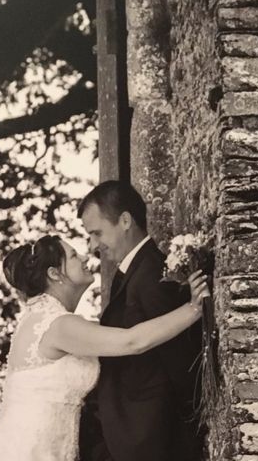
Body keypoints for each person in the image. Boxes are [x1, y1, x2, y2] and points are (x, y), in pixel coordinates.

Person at [0, 234, 209, 461]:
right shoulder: (58, 326)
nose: (84, 256)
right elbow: (131, 341)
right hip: (27, 450)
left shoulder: (45, 319)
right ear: (55, 274)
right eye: (72, 255)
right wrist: (192, 308)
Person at [78, 180, 204, 461]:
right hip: (133, 437)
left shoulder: (151, 275)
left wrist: (186, 438)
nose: (93, 245)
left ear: (125, 221)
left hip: (153, 439)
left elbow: (181, 361)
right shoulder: (133, 273)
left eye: (97, 233)